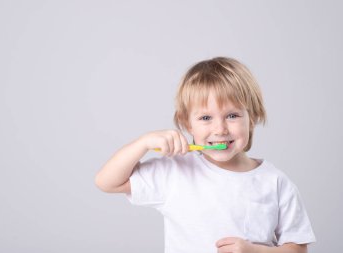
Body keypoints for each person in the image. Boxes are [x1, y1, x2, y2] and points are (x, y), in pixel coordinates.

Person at [95, 57, 316, 253]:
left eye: (232, 115)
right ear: (186, 124)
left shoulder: (275, 182)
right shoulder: (176, 171)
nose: (220, 129)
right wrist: (143, 143)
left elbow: (298, 248)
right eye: (205, 118)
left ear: (253, 118)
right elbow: (107, 182)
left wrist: (254, 252)